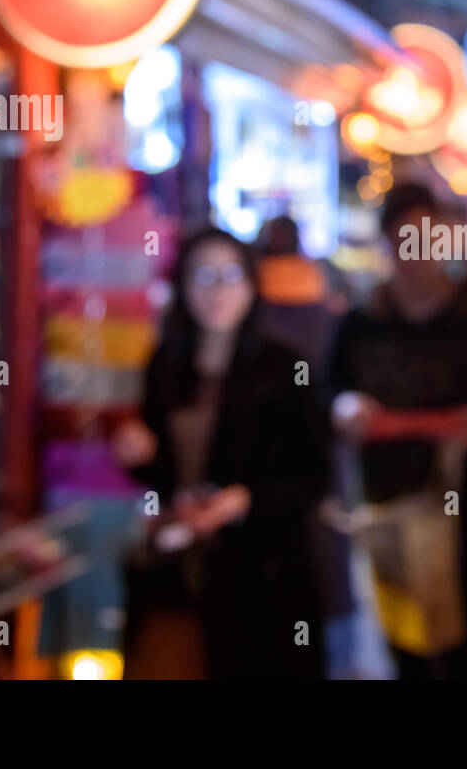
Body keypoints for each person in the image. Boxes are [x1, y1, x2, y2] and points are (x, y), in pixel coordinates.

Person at [326, 183, 467, 680]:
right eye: (404, 240)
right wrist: (345, 408)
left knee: (463, 638)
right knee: (403, 637)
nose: (417, 254)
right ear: (386, 245)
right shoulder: (362, 321)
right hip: (388, 498)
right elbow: (329, 390)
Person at [115, 227, 328, 679]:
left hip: (263, 575)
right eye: (202, 276)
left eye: (230, 275)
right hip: (180, 572)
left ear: (252, 283)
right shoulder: (167, 362)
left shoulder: (289, 366)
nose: (217, 291)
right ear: (182, 284)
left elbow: (315, 473)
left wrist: (241, 500)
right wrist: (141, 453)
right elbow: (159, 475)